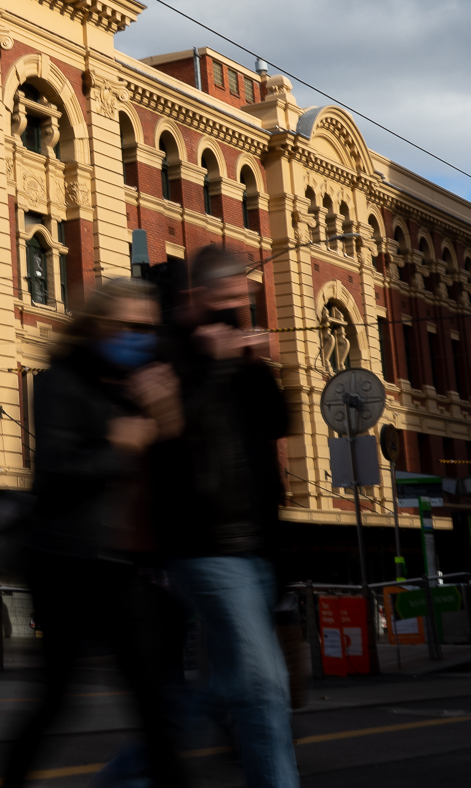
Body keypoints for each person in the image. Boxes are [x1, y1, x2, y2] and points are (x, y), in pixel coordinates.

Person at [0, 278, 189, 788]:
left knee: (153, 702)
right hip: (68, 561)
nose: (141, 336)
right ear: (99, 325)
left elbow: (173, 465)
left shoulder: (143, 383)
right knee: (56, 700)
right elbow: (54, 474)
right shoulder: (62, 380)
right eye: (128, 326)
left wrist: (165, 416)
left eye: (149, 327)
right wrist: (123, 446)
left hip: (127, 563)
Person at [147, 247, 297, 788]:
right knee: (264, 686)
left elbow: (281, 423)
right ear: (200, 296)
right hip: (202, 542)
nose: (238, 310)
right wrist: (213, 367)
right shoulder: (169, 351)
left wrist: (260, 364)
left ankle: (134, 770)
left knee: (229, 688)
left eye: (246, 301)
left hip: (257, 542)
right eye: (229, 299)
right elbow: (172, 442)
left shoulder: (241, 355)